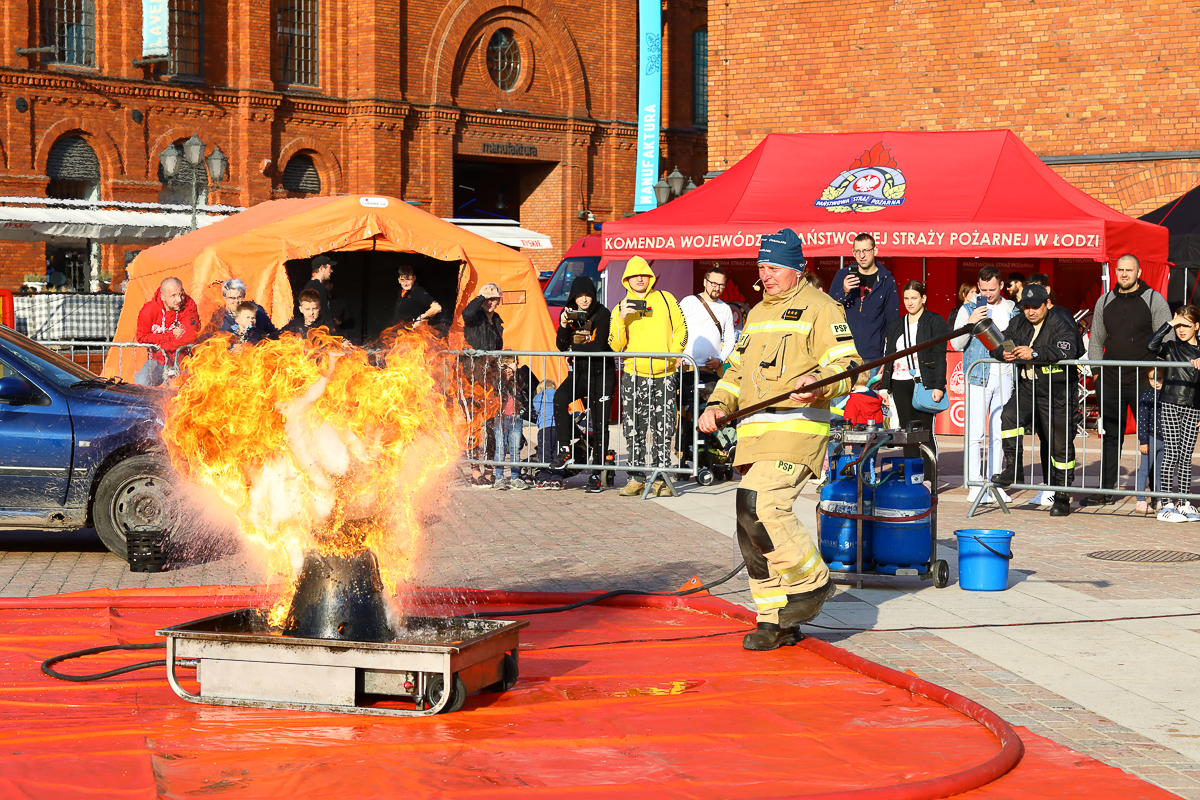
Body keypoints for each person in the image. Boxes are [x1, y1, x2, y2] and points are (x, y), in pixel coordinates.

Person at [698, 228, 855, 651]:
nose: (765, 275)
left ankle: (812, 582)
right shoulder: (756, 313)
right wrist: (715, 404)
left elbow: (848, 364)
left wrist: (819, 383)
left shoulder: (822, 308)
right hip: (754, 433)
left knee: (761, 505)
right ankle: (774, 618)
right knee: (747, 524)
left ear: (797, 269)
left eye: (774, 268)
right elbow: (734, 373)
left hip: (796, 427)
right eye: (762, 267)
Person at [1087, 254, 1170, 506]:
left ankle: (1156, 491)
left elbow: (1166, 339)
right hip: (1110, 380)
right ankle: (1105, 490)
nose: (1124, 274)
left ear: (1139, 271)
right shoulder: (1104, 301)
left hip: (1144, 381)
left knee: (1154, 435)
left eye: (1129, 270)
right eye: (1120, 270)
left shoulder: (1154, 299)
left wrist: (1159, 373)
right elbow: (1096, 341)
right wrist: (1097, 374)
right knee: (1111, 435)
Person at [990, 284, 1080, 517]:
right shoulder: (1018, 322)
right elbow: (1000, 343)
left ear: (1046, 304)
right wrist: (1003, 353)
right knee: (1009, 416)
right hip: (1028, 387)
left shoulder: (1060, 321)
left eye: (1034, 307)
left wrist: (1036, 354)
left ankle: (1062, 495)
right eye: (1026, 307)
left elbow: (1070, 349)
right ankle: (1013, 469)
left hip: (1057, 390)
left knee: (1059, 445)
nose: (1030, 312)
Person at [608, 257, 688, 497]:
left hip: (664, 373)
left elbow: (682, 329)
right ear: (627, 280)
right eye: (634, 275)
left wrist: (674, 356)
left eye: (643, 274)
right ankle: (636, 478)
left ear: (650, 277)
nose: (640, 278)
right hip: (633, 374)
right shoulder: (619, 308)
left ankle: (661, 479)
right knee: (633, 427)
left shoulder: (666, 298)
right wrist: (621, 319)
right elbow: (615, 345)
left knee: (663, 426)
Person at [952, 266, 1016, 504]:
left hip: (1005, 375)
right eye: (983, 289)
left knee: (999, 432)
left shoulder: (1011, 308)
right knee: (975, 431)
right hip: (978, 374)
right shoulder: (969, 308)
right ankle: (975, 483)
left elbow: (1015, 342)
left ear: (1001, 286)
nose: (988, 294)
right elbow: (957, 344)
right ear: (978, 287)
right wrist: (969, 322)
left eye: (992, 289)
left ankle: (996, 483)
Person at [550, 276, 614, 493]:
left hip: (601, 375)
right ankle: (566, 449)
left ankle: (597, 473)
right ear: (573, 297)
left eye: (587, 295)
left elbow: (599, 345)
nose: (584, 300)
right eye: (579, 296)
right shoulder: (568, 312)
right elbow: (561, 345)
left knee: (599, 425)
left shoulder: (603, 313)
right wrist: (563, 325)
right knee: (559, 398)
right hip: (580, 374)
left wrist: (573, 351)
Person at [878, 280, 948, 476]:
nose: (910, 302)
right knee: (906, 433)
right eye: (906, 298)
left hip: (924, 383)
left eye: (914, 298)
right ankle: (912, 476)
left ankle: (928, 478)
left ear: (923, 298)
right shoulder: (897, 324)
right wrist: (884, 388)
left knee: (924, 432)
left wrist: (939, 385)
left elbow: (939, 355)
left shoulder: (935, 321)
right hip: (899, 383)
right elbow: (889, 355)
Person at [1146, 306, 1200, 522]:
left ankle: (1185, 502)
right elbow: (1150, 345)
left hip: (1194, 406)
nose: (1182, 330)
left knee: (1186, 456)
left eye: (1187, 325)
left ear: (1197, 326)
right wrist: (1169, 323)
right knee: (1171, 453)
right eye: (1179, 326)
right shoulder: (1170, 347)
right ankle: (1166, 503)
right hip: (1170, 403)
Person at [828, 233, 899, 362]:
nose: (862, 255)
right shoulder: (843, 275)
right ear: (853, 253)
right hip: (844, 354)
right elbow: (829, 310)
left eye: (866, 250)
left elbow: (892, 323)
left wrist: (889, 359)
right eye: (858, 251)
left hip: (873, 357)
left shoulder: (887, 281)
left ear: (875, 251)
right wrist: (844, 292)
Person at [134, 276, 200, 386]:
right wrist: (169, 336)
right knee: (141, 381)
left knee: (196, 386)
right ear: (162, 297)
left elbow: (190, 336)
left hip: (184, 359)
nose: (179, 299)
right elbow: (141, 337)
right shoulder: (149, 311)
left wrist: (161, 344)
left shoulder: (189, 305)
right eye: (173, 296)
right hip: (158, 359)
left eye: (180, 294)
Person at [679, 266, 737, 374]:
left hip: (713, 369)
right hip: (687, 365)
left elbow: (730, 340)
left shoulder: (726, 308)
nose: (717, 288)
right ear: (705, 282)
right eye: (713, 283)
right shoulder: (688, 302)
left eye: (721, 285)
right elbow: (675, 330)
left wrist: (720, 359)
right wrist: (677, 355)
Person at [492, 357, 529, 491]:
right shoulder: (497, 377)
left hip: (515, 417)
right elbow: (494, 386)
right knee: (500, 449)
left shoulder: (520, 377)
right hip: (500, 416)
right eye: (504, 364)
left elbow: (525, 386)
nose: (508, 367)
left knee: (515, 449)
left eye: (511, 363)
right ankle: (499, 478)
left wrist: (516, 373)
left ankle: (514, 478)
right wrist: (501, 373)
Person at [203, 278, 277, 340]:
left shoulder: (257, 311)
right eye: (232, 298)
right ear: (224, 298)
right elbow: (207, 339)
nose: (236, 301)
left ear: (244, 295)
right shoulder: (218, 317)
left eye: (239, 297)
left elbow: (273, 334)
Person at [1135, 367, 1165, 515]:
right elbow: (1142, 420)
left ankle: (1160, 500)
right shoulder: (1147, 395)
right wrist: (1143, 440)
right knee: (1144, 470)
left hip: (1164, 439)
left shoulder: (1167, 394)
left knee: (1160, 472)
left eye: (1159, 378)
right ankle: (1140, 500)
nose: (1156, 382)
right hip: (1151, 438)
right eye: (1152, 379)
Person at [531, 380, 564, 489]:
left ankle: (545, 479)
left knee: (544, 453)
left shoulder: (538, 397)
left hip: (545, 427)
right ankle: (557, 479)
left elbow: (535, 411)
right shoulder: (559, 395)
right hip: (559, 427)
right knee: (558, 454)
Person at [463, 283, 504, 351]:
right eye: (486, 299)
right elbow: (467, 313)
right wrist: (482, 297)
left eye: (493, 299)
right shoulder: (475, 317)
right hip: (473, 360)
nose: (489, 303)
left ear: (498, 301)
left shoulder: (496, 320)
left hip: (490, 360)